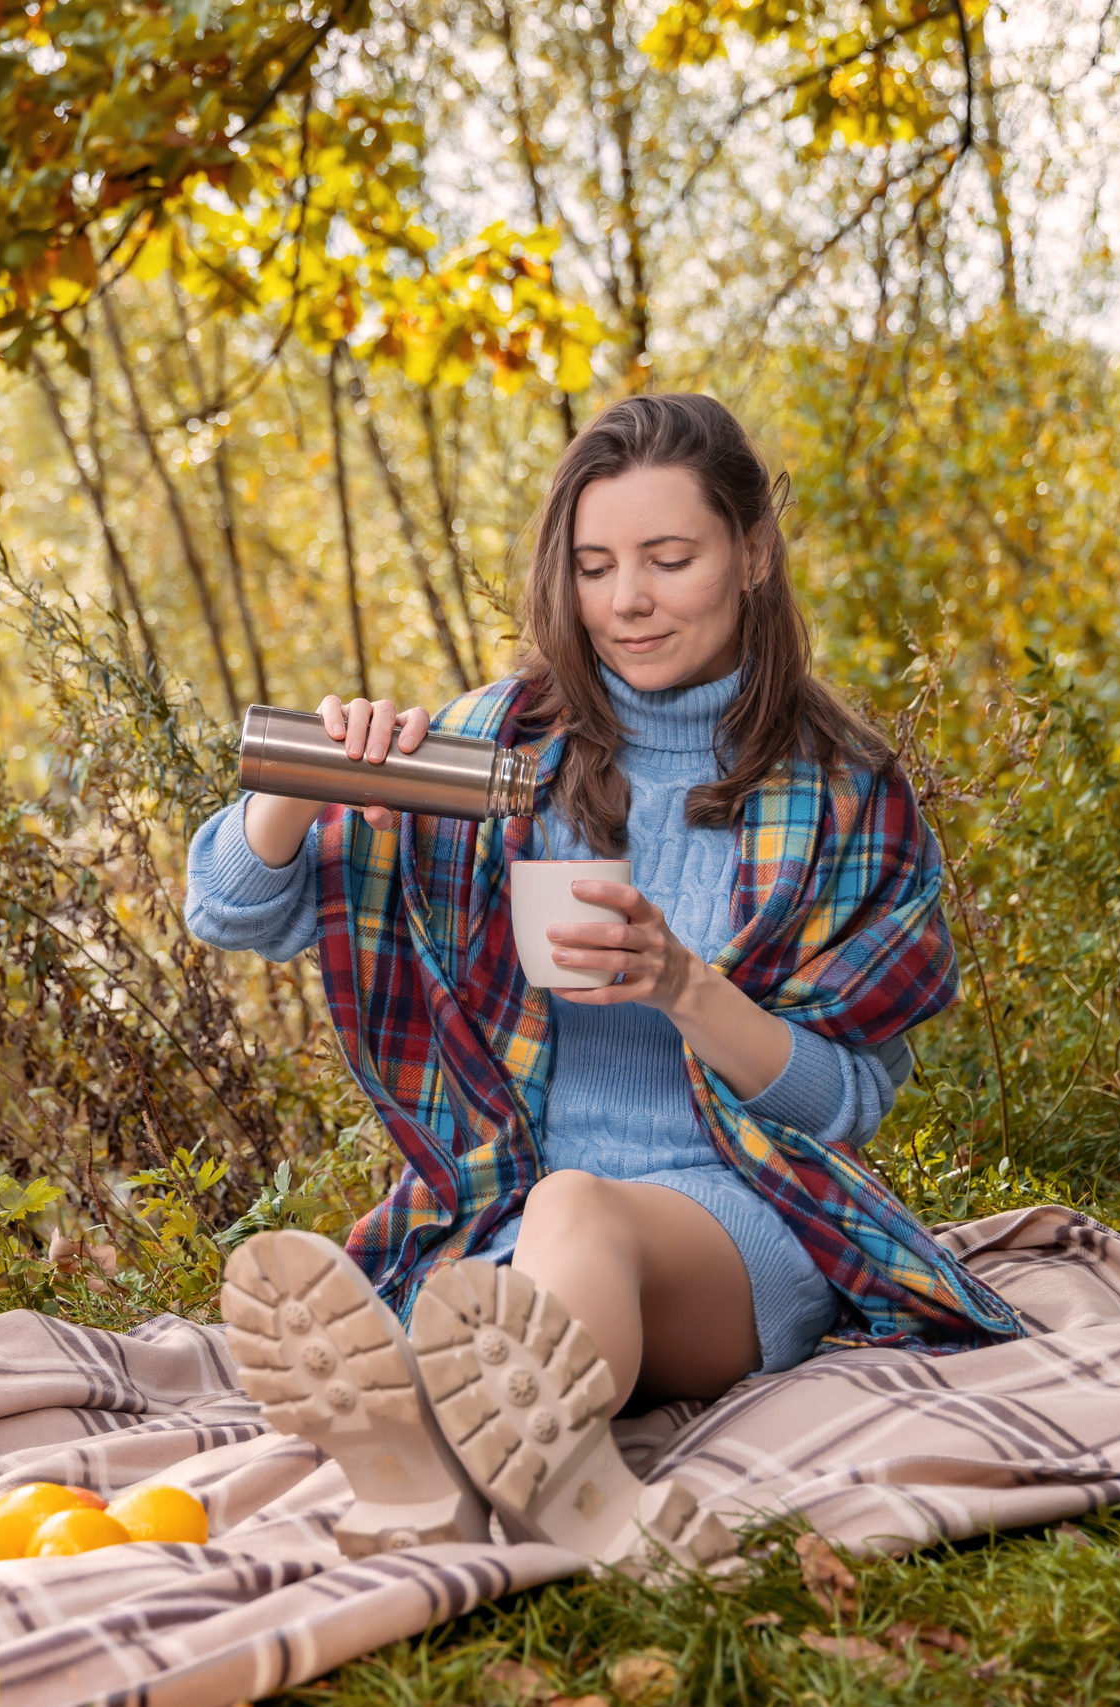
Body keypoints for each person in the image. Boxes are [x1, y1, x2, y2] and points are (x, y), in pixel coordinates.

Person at [188, 393, 1023, 1563]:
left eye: (667, 559)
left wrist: (686, 988)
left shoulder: (843, 791)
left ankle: (460, 1452)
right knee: (510, 1263)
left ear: (751, 553)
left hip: (745, 1216)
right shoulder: (497, 748)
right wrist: (303, 783)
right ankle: (514, 1481)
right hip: (508, 1216)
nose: (626, 601)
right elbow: (231, 909)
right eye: (593, 566)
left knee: (574, 1213)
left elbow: (847, 1102)